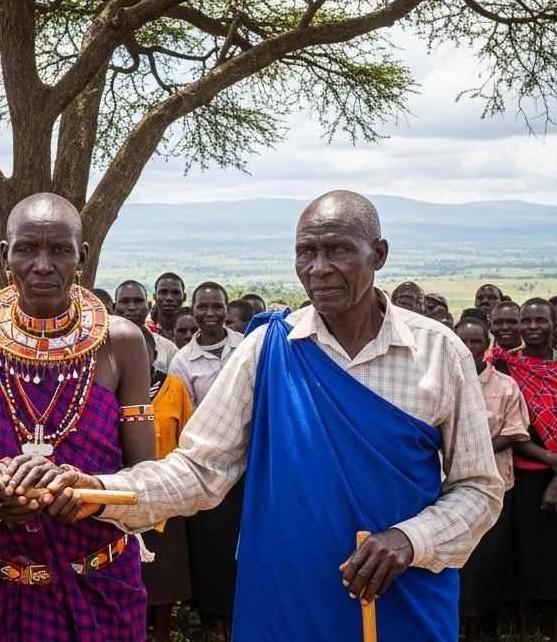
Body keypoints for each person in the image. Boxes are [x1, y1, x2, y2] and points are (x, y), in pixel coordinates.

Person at [30, 191, 503, 641]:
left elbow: (479, 487)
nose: (319, 269)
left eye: (337, 250)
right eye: (306, 253)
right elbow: (199, 469)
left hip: (401, 597)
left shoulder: (439, 353)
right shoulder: (268, 349)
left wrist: (410, 539)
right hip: (287, 598)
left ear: (378, 253)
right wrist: (94, 490)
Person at [0, 192, 153, 642]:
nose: (42, 265)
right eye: (27, 249)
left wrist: (86, 492)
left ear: (82, 256)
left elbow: (143, 480)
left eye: (59, 250)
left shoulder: (122, 343)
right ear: (6, 256)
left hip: (98, 583)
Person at [495, 298, 557, 642]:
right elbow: (509, 430)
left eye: (542, 320)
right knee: (523, 553)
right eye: (527, 320)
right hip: (521, 476)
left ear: (556, 325)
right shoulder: (506, 367)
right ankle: (524, 631)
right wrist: (550, 459)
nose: (533, 326)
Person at [168, 282, 243, 639]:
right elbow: (189, 413)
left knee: (238, 541)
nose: (210, 313)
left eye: (217, 306)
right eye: (203, 306)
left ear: (228, 309)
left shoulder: (244, 348)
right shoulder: (183, 360)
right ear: (192, 308)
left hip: (247, 463)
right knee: (211, 542)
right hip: (208, 462)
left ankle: (241, 610)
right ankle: (214, 615)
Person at [453, 316, 528, 642]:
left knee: (485, 561)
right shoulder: (443, 380)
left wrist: (474, 448)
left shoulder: (505, 386)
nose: (469, 348)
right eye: (463, 341)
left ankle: (477, 628)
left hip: (493, 485)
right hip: (447, 484)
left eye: (476, 342)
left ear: (488, 346)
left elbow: (514, 433)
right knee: (455, 559)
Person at [138, 329, 192, 642]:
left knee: (165, 567)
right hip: (124, 492)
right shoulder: (114, 386)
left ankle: (161, 631)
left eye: (142, 351)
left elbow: (187, 438)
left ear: (154, 354)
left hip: (167, 491)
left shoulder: (174, 388)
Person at [116, 280, 177, 370]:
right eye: (125, 301)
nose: (132, 307)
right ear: (114, 307)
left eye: (138, 301)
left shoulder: (168, 348)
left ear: (148, 306)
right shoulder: (100, 346)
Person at [150, 273, 186, 338]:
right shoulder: (145, 333)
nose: (169, 298)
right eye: (163, 292)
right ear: (154, 297)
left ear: (184, 297)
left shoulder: (194, 333)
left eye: (175, 292)